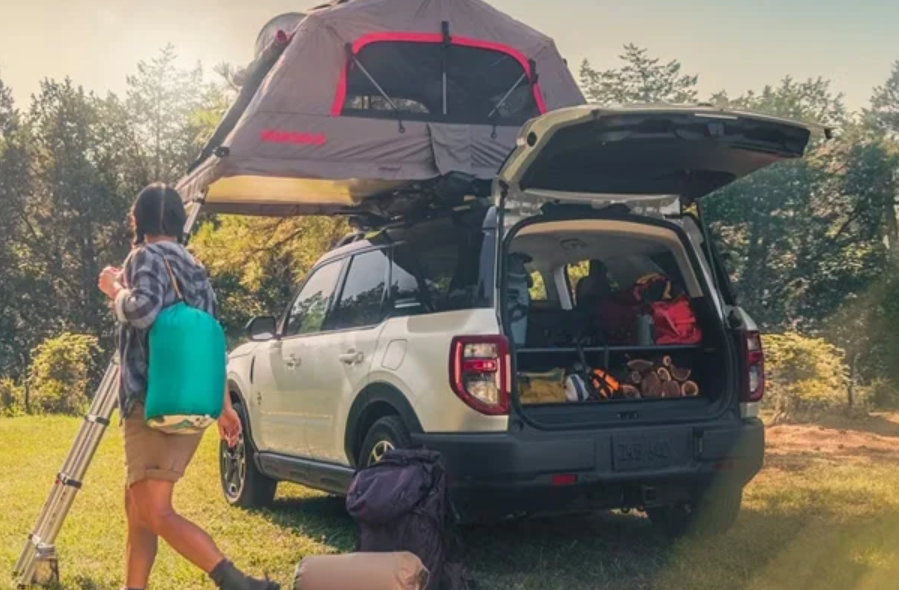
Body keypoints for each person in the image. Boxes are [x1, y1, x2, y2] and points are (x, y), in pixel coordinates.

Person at [97, 183, 279, 590]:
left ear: (138, 221)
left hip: (153, 401)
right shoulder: (195, 268)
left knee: (155, 511)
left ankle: (238, 582)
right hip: (192, 401)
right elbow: (210, 342)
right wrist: (224, 407)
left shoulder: (144, 256)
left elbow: (142, 311)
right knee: (137, 508)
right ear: (180, 222)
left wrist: (115, 290)